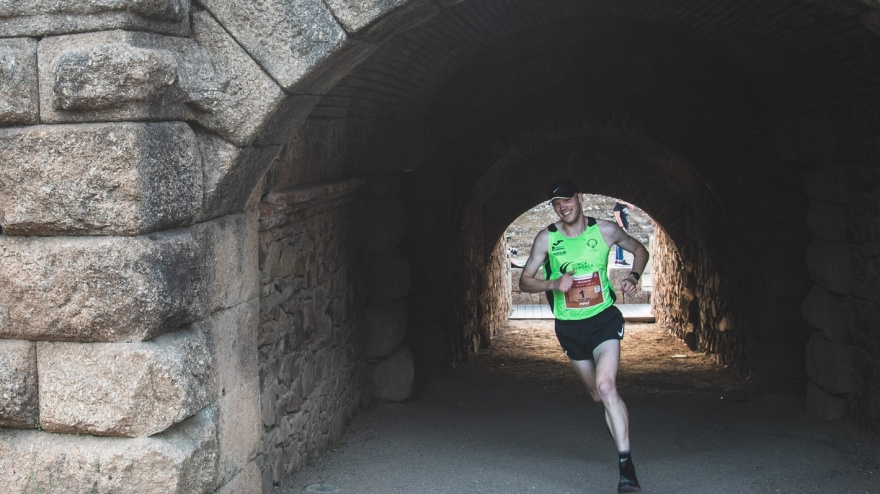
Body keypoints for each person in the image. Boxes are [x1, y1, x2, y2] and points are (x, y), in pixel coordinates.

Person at [519, 179, 649, 493]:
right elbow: (524, 281)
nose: (563, 207)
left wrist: (633, 276)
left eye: (567, 200)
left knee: (606, 386)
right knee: (596, 394)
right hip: (569, 328)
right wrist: (553, 284)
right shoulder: (546, 238)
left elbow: (639, 250)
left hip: (603, 320)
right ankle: (619, 438)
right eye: (556, 204)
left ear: (580, 199)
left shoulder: (605, 230)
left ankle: (626, 468)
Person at [612, 199, 636, 265]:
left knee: (619, 242)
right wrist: (622, 227)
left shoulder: (623, 204)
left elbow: (632, 208)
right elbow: (617, 216)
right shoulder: (617, 205)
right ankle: (620, 259)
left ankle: (618, 260)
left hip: (625, 226)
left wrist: (624, 203)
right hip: (621, 227)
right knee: (621, 242)